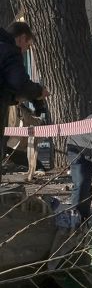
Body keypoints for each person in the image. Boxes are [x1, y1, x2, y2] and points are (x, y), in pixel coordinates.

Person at [0, 23, 49, 176]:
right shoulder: (9, 52)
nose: (24, 51)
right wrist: (38, 92)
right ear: (21, 38)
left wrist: (13, 98)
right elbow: (19, 83)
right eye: (27, 46)